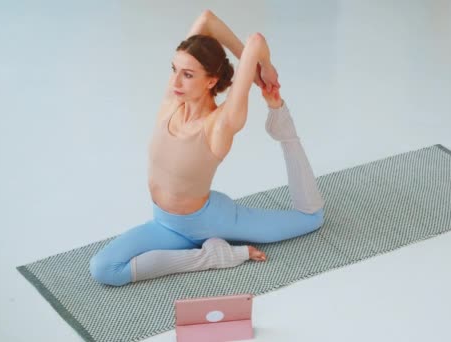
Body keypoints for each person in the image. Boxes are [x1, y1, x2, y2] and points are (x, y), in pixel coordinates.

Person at [89, 9, 325, 286]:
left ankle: (283, 128)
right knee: (103, 268)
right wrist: (257, 68)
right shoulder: (173, 102)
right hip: (166, 224)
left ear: (211, 81)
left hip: (213, 221)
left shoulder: (220, 124)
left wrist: (263, 69)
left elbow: (256, 41)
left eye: (187, 75)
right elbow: (206, 19)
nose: (175, 82)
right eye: (174, 70)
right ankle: (211, 255)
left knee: (311, 218)